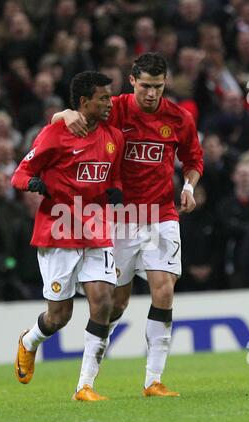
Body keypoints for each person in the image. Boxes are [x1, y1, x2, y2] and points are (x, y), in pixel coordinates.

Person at [52, 53, 203, 397]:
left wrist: (189, 186)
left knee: (163, 288)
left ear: (166, 83)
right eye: (146, 86)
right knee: (115, 304)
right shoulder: (115, 108)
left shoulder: (179, 118)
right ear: (132, 80)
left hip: (161, 214)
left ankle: (153, 380)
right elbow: (73, 116)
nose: (152, 94)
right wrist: (64, 113)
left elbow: (193, 159)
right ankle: (85, 383)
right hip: (118, 218)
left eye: (158, 87)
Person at [11, 71, 124, 401]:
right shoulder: (56, 133)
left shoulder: (113, 135)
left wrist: (115, 191)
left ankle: (85, 386)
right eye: (103, 98)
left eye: (110, 97)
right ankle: (29, 341)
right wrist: (32, 184)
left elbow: (112, 175)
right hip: (58, 231)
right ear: (84, 102)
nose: (109, 103)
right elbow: (21, 172)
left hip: (96, 230)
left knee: (103, 302)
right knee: (59, 317)